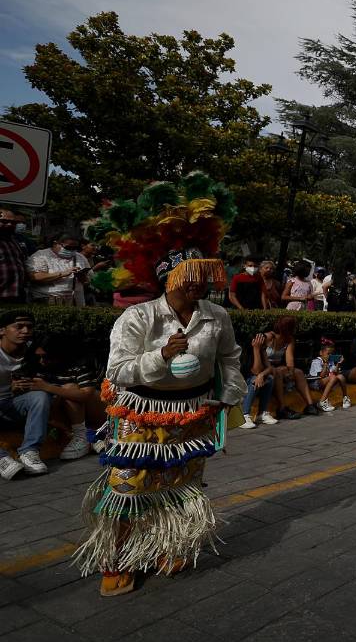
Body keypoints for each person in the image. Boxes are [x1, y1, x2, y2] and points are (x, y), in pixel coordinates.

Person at [73, 173, 245, 596]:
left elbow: (229, 359)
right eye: (192, 276)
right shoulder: (138, 318)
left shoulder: (216, 316)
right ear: (171, 279)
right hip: (140, 415)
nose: (201, 282)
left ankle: (170, 543)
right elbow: (118, 371)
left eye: (203, 274)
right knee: (127, 488)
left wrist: (226, 399)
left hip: (194, 411)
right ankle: (119, 559)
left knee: (182, 483)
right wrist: (161, 356)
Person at [27, 333, 101, 461]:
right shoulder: (40, 369)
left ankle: (83, 435)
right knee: (42, 400)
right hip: (67, 420)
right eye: (39, 357)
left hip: (93, 411)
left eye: (45, 357)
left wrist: (48, 387)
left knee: (69, 389)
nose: (42, 361)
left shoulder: (78, 366)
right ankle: (86, 435)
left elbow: (86, 395)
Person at [0, 311, 53, 479]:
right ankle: (2, 459)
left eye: (29, 327)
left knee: (40, 396)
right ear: (2, 330)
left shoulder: (35, 352)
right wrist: (9, 386)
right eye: (19, 326)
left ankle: (29, 452)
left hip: (13, 405)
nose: (25, 331)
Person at [263, 316, 318, 417]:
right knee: (279, 372)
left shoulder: (289, 339)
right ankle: (282, 408)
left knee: (299, 373)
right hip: (265, 367)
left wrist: (291, 371)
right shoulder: (269, 337)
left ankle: (310, 405)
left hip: (278, 366)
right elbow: (260, 357)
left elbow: (289, 359)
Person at [27, 235, 90, 305]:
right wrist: (63, 273)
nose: (72, 250)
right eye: (68, 247)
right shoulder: (41, 255)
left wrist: (82, 277)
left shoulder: (80, 257)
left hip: (75, 300)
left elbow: (87, 281)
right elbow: (35, 277)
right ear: (55, 243)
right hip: (48, 299)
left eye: (75, 248)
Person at [241, 332, 275, 428]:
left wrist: (262, 374)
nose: (264, 346)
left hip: (252, 379)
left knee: (269, 379)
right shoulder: (244, 352)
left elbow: (269, 368)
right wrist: (256, 349)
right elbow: (256, 370)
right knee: (254, 380)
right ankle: (244, 415)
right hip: (240, 382)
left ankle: (261, 413)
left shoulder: (262, 350)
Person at [309, 338, 350, 410]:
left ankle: (345, 397)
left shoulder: (330, 361)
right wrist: (325, 364)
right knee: (334, 377)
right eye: (328, 353)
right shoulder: (316, 361)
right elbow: (321, 375)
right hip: (316, 382)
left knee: (341, 376)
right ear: (321, 353)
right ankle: (322, 401)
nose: (330, 355)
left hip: (327, 380)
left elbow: (335, 372)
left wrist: (338, 364)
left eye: (331, 354)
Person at [0, 209, 28, 304]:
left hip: (16, 295)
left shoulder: (13, 240)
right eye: (4, 221)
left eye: (13, 222)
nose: (9, 224)